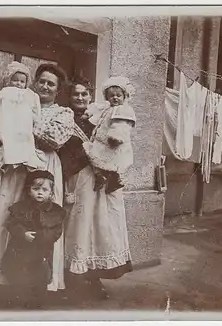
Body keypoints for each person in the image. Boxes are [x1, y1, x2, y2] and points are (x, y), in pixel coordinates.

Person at [0, 63, 74, 295]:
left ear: (58, 90)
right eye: (41, 81)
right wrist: (14, 115)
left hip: (42, 168)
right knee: (4, 214)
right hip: (12, 168)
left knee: (39, 219)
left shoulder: (63, 113)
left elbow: (53, 141)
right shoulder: (13, 102)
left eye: (51, 84)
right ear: (33, 83)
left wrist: (24, 121)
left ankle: (38, 280)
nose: (45, 86)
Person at [59, 76, 134, 302]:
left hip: (100, 181)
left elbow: (115, 144)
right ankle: (72, 276)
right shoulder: (65, 118)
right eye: (76, 94)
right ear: (70, 98)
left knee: (100, 226)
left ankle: (94, 276)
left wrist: (108, 171)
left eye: (84, 94)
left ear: (90, 97)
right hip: (77, 178)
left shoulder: (100, 116)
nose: (80, 98)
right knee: (78, 226)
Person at [1, 170, 66, 309]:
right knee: (19, 276)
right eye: (36, 189)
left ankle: (38, 305)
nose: (40, 192)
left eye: (44, 189)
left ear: (51, 193)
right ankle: (19, 302)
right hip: (21, 250)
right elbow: (11, 224)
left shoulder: (55, 212)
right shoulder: (21, 207)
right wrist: (23, 234)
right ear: (29, 191)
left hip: (41, 251)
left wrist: (42, 236)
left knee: (40, 278)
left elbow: (56, 231)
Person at [0, 61, 46, 194]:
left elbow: (36, 112)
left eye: (22, 81)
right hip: (8, 126)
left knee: (25, 145)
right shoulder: (4, 94)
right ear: (8, 81)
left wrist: (34, 123)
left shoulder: (30, 96)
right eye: (15, 80)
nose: (18, 84)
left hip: (24, 127)